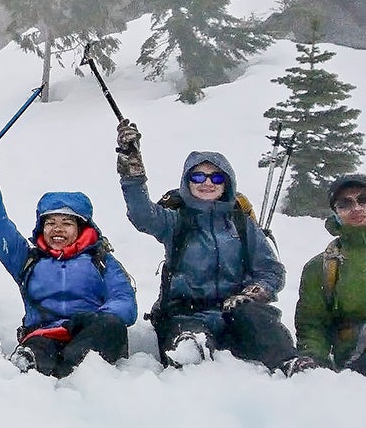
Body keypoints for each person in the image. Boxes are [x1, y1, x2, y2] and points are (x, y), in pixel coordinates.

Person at [116, 119, 295, 370]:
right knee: (188, 342)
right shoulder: (176, 221)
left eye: (216, 176)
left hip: (237, 314)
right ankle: (189, 354)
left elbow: (271, 270)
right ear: (187, 182)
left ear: (227, 183)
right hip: (184, 314)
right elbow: (142, 215)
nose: (207, 182)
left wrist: (254, 292)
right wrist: (131, 168)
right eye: (198, 176)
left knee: (262, 324)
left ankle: (290, 363)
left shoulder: (242, 224)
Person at [0, 139, 136, 377]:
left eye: (67, 223)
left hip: (89, 334)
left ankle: (68, 370)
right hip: (44, 335)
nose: (58, 229)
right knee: (38, 349)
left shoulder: (101, 261)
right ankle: (27, 363)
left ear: (81, 227)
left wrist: (91, 319)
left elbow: (125, 302)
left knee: (111, 328)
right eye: (51, 223)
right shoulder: (29, 260)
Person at [293, 171, 366, 374]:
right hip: (356, 356)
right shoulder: (320, 268)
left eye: (364, 199)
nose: (357, 208)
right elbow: (312, 325)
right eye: (345, 204)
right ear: (335, 213)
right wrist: (314, 360)